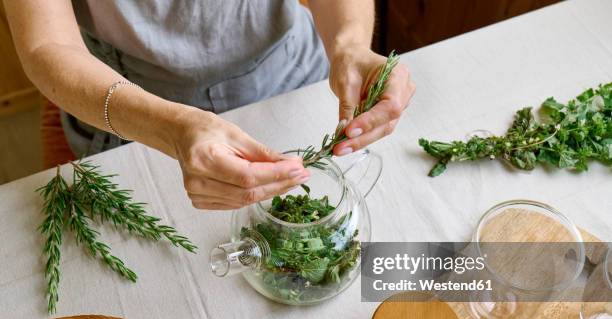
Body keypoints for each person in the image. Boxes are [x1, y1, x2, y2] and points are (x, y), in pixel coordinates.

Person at [5, 0, 415, 210]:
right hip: (132, 117)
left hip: (291, 84)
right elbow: (47, 45)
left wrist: (348, 44)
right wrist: (172, 128)